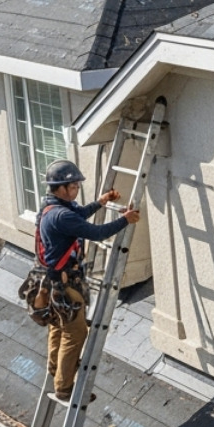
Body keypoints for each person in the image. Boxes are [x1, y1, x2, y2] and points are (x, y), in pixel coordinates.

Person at [36, 160, 139, 402]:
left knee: (59, 327)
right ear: (61, 188)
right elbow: (97, 233)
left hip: (52, 281)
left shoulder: (51, 208)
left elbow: (78, 214)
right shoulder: (61, 215)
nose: (76, 190)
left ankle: (57, 369)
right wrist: (126, 219)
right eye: (73, 186)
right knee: (76, 332)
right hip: (65, 283)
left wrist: (101, 202)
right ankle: (64, 387)